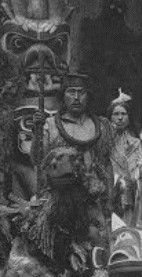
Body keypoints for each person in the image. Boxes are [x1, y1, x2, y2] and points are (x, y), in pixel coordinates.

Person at [33, 72, 114, 222]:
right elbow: (38, 160)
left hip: (93, 203)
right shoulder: (50, 126)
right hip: (60, 203)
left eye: (81, 92)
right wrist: (37, 131)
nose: (76, 97)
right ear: (63, 96)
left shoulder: (102, 127)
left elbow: (107, 164)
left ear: (88, 96)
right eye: (71, 92)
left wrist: (109, 199)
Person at [108, 89, 142, 227]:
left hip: (131, 195)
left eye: (123, 114)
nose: (120, 118)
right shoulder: (105, 142)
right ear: (110, 117)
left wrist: (137, 177)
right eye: (116, 114)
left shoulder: (135, 143)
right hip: (110, 193)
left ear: (129, 117)